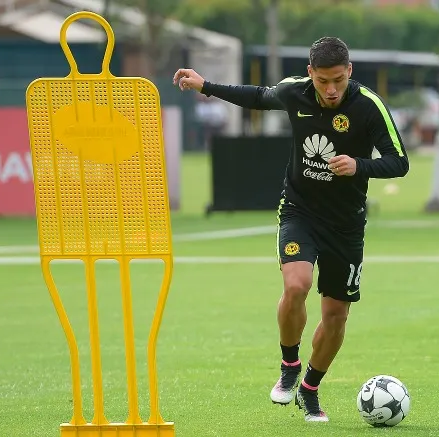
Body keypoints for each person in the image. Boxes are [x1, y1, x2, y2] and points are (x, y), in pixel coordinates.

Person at [173, 37, 409, 422]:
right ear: (310, 74)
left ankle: (310, 390)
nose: (331, 90)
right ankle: (288, 366)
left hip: (347, 225)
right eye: (322, 81)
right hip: (300, 212)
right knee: (296, 285)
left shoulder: (369, 106)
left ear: (349, 71)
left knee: (335, 316)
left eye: (338, 80)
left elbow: (400, 162)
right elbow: (257, 96)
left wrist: (360, 166)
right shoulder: (294, 93)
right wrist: (206, 86)